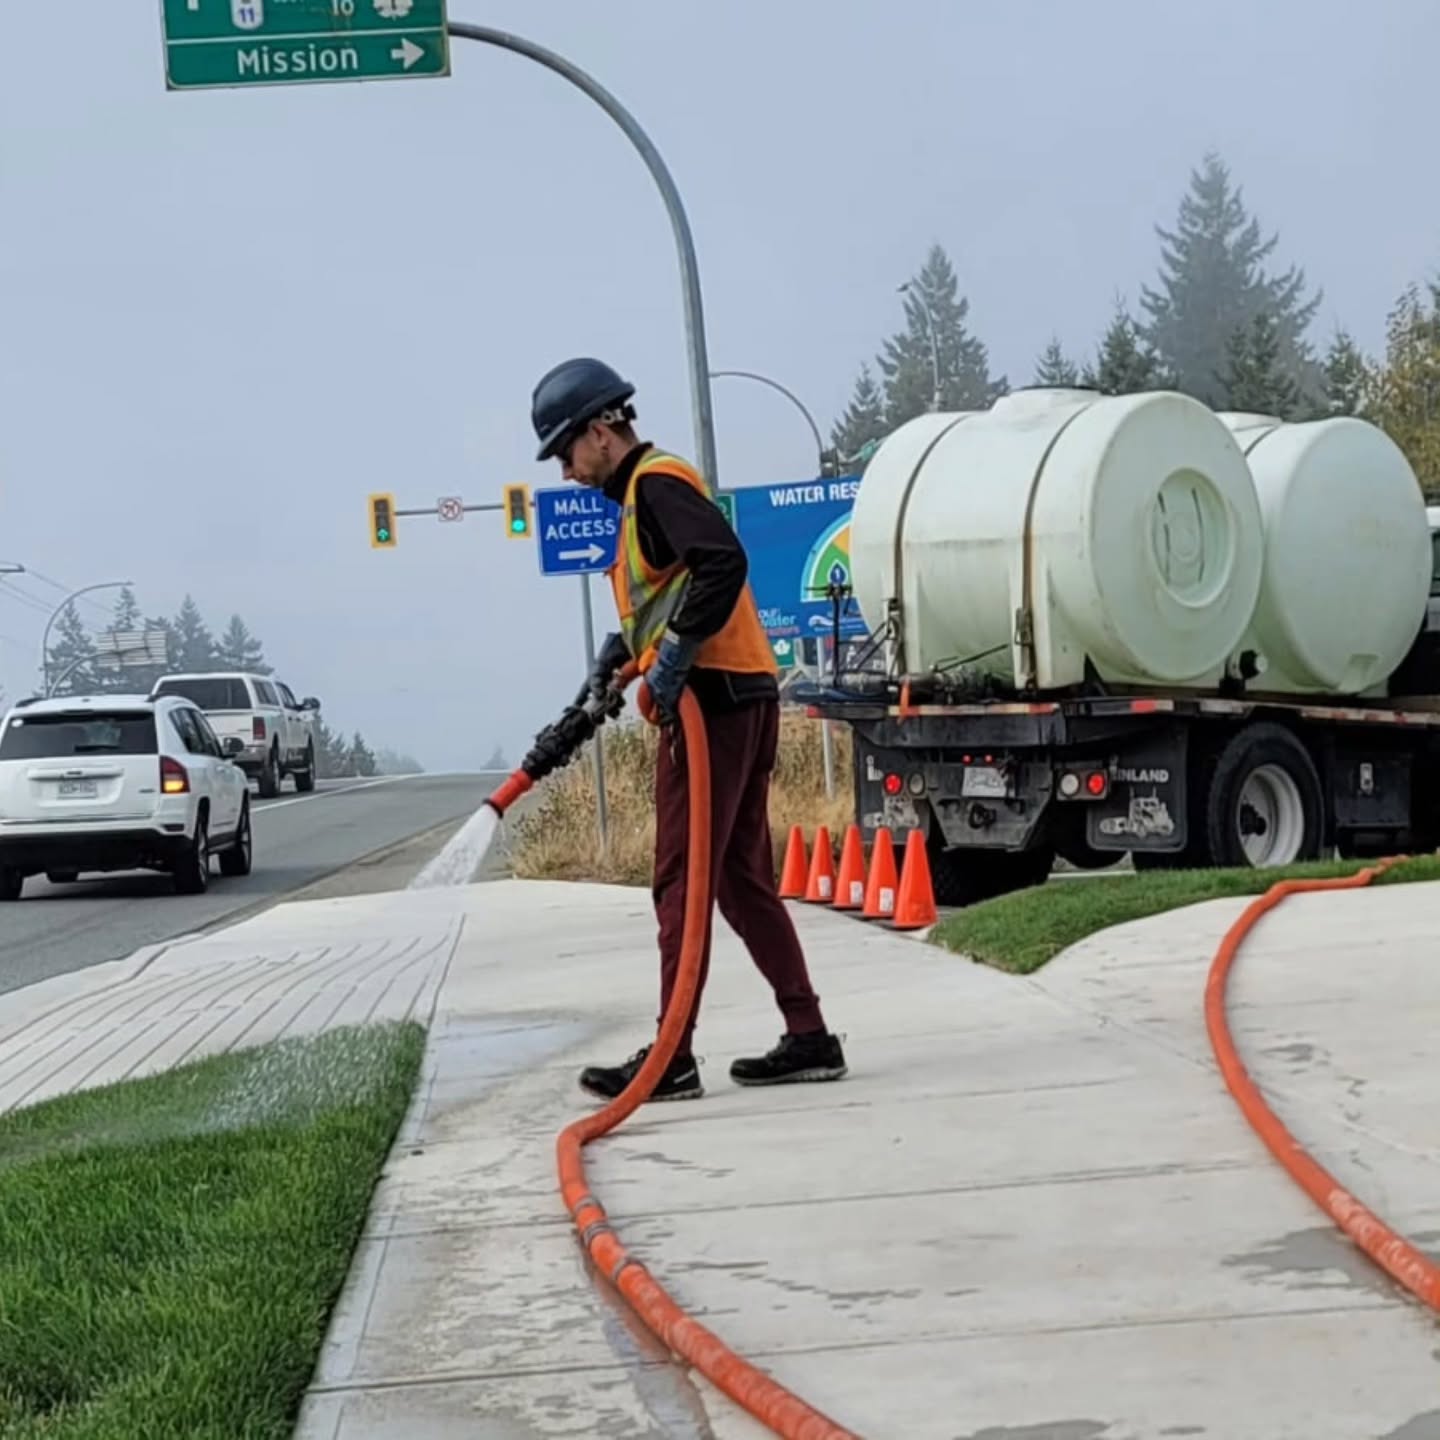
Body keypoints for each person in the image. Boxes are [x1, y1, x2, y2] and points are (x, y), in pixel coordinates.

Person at [530, 356, 847, 1102]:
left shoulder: (655, 483)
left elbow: (722, 564)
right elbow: (671, 593)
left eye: (566, 451)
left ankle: (671, 1056)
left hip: (714, 704)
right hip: (745, 694)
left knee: (679, 877)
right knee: (739, 880)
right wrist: (623, 654)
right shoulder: (643, 498)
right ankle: (809, 1036)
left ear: (601, 431)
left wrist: (671, 663)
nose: (566, 472)